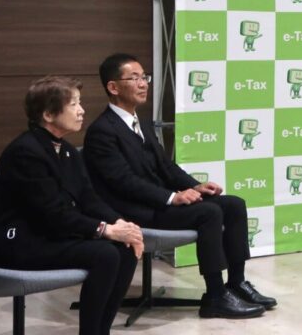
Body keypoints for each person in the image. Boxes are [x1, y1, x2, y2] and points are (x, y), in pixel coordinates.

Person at [83, 54, 275, 319]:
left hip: (158, 202)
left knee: (234, 205)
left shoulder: (142, 122)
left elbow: (166, 167)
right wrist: (172, 197)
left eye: (144, 77)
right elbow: (123, 182)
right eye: (134, 78)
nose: (143, 84)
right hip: (133, 211)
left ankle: (237, 283)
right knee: (209, 213)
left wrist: (196, 186)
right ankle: (215, 296)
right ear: (113, 87)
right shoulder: (102, 131)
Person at [0, 76, 144, 335]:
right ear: (48, 114)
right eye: (73, 104)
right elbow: (53, 214)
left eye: (79, 103)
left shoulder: (68, 150)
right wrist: (105, 230)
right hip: (21, 243)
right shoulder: (26, 152)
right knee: (105, 253)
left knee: (123, 249)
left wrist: (122, 224)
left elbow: (89, 199)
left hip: (49, 235)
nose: (82, 110)